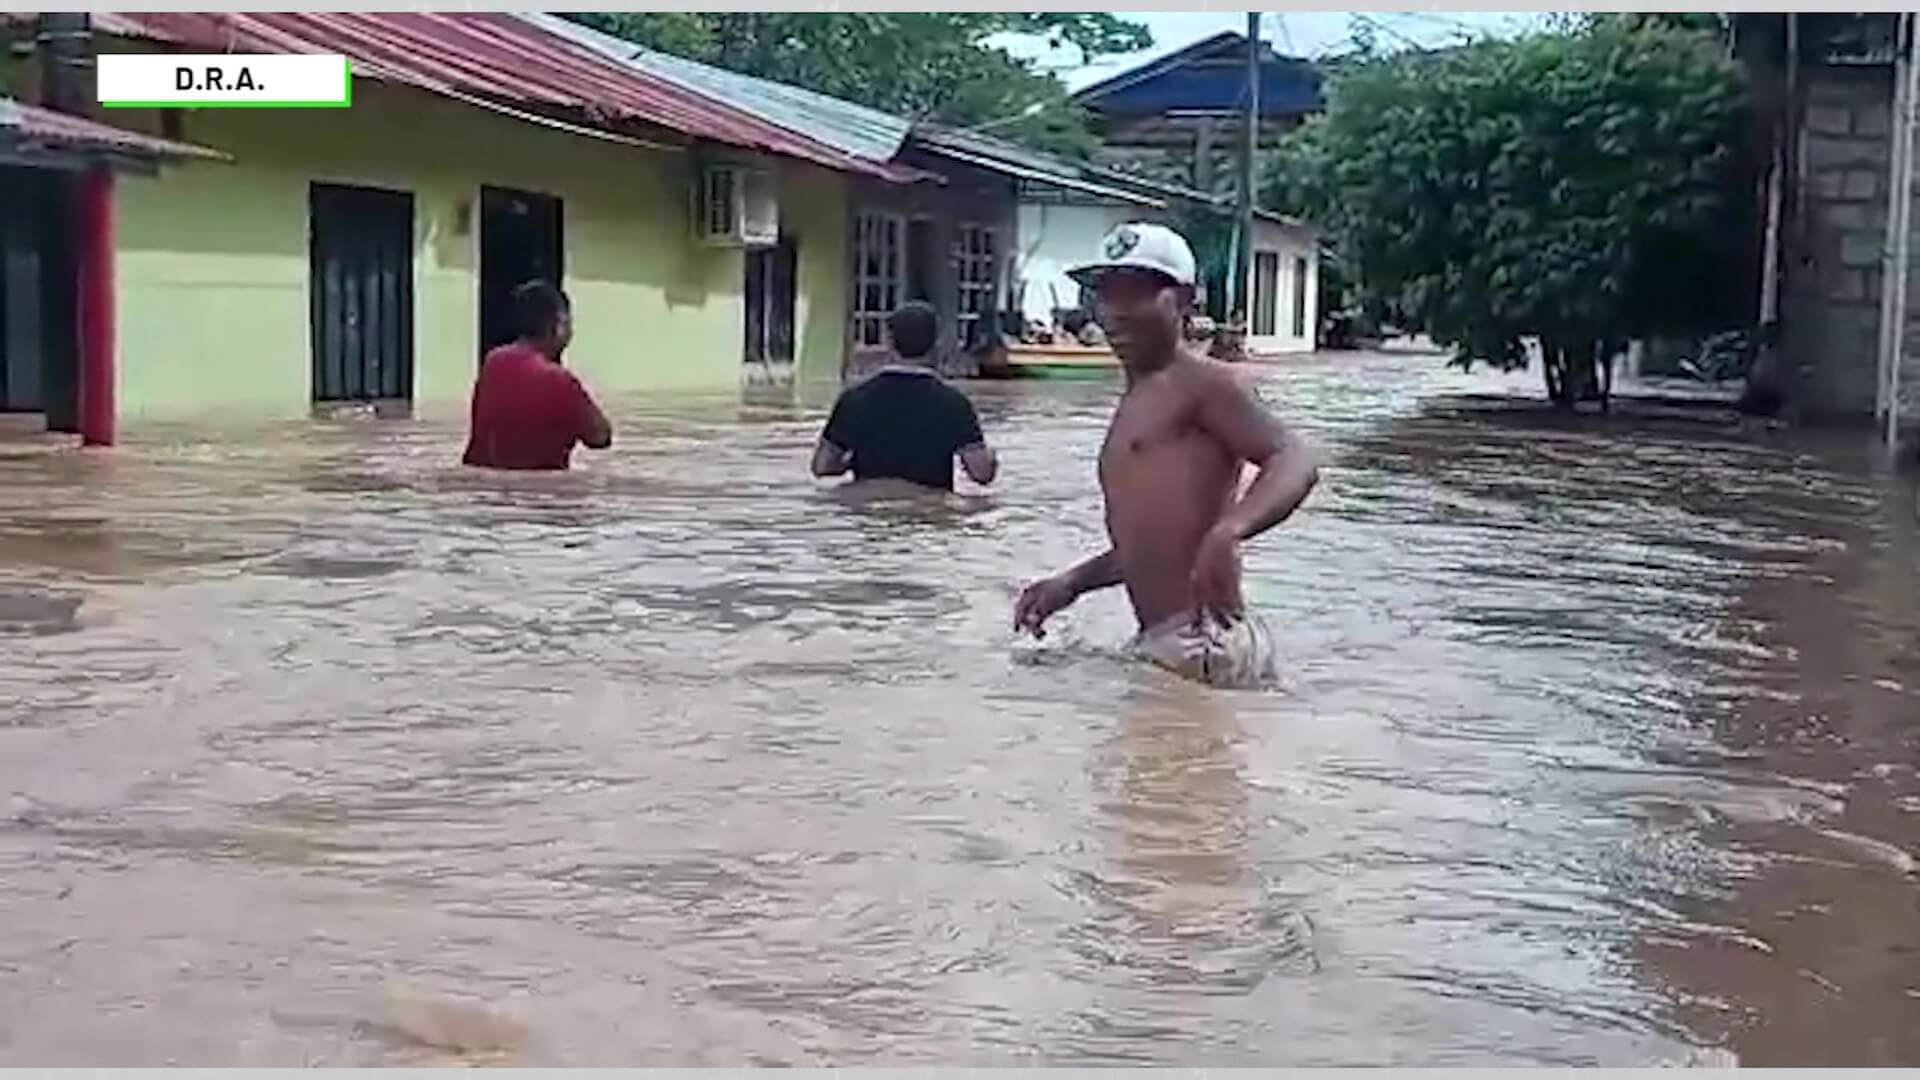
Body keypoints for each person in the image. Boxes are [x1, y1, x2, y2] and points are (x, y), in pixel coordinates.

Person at [1012, 223, 1320, 688]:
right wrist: (1071, 583)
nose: (1117, 312)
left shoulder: (1204, 384)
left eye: (1137, 294)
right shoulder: (1136, 400)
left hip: (1203, 643)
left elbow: (1295, 457)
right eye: (1107, 295)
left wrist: (1229, 532)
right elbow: (1154, 547)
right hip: (1168, 639)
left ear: (1183, 300)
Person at [811, 301, 997, 492]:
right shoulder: (955, 404)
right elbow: (981, 473)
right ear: (936, 342)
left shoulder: (853, 399)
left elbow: (822, 467)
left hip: (867, 513)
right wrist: (991, 458)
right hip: (929, 513)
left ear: (890, 341)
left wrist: (848, 464)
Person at [462, 281, 612, 471]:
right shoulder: (560, 380)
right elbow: (600, 438)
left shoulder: (493, 361)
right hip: (539, 495)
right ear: (558, 324)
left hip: (484, 489)